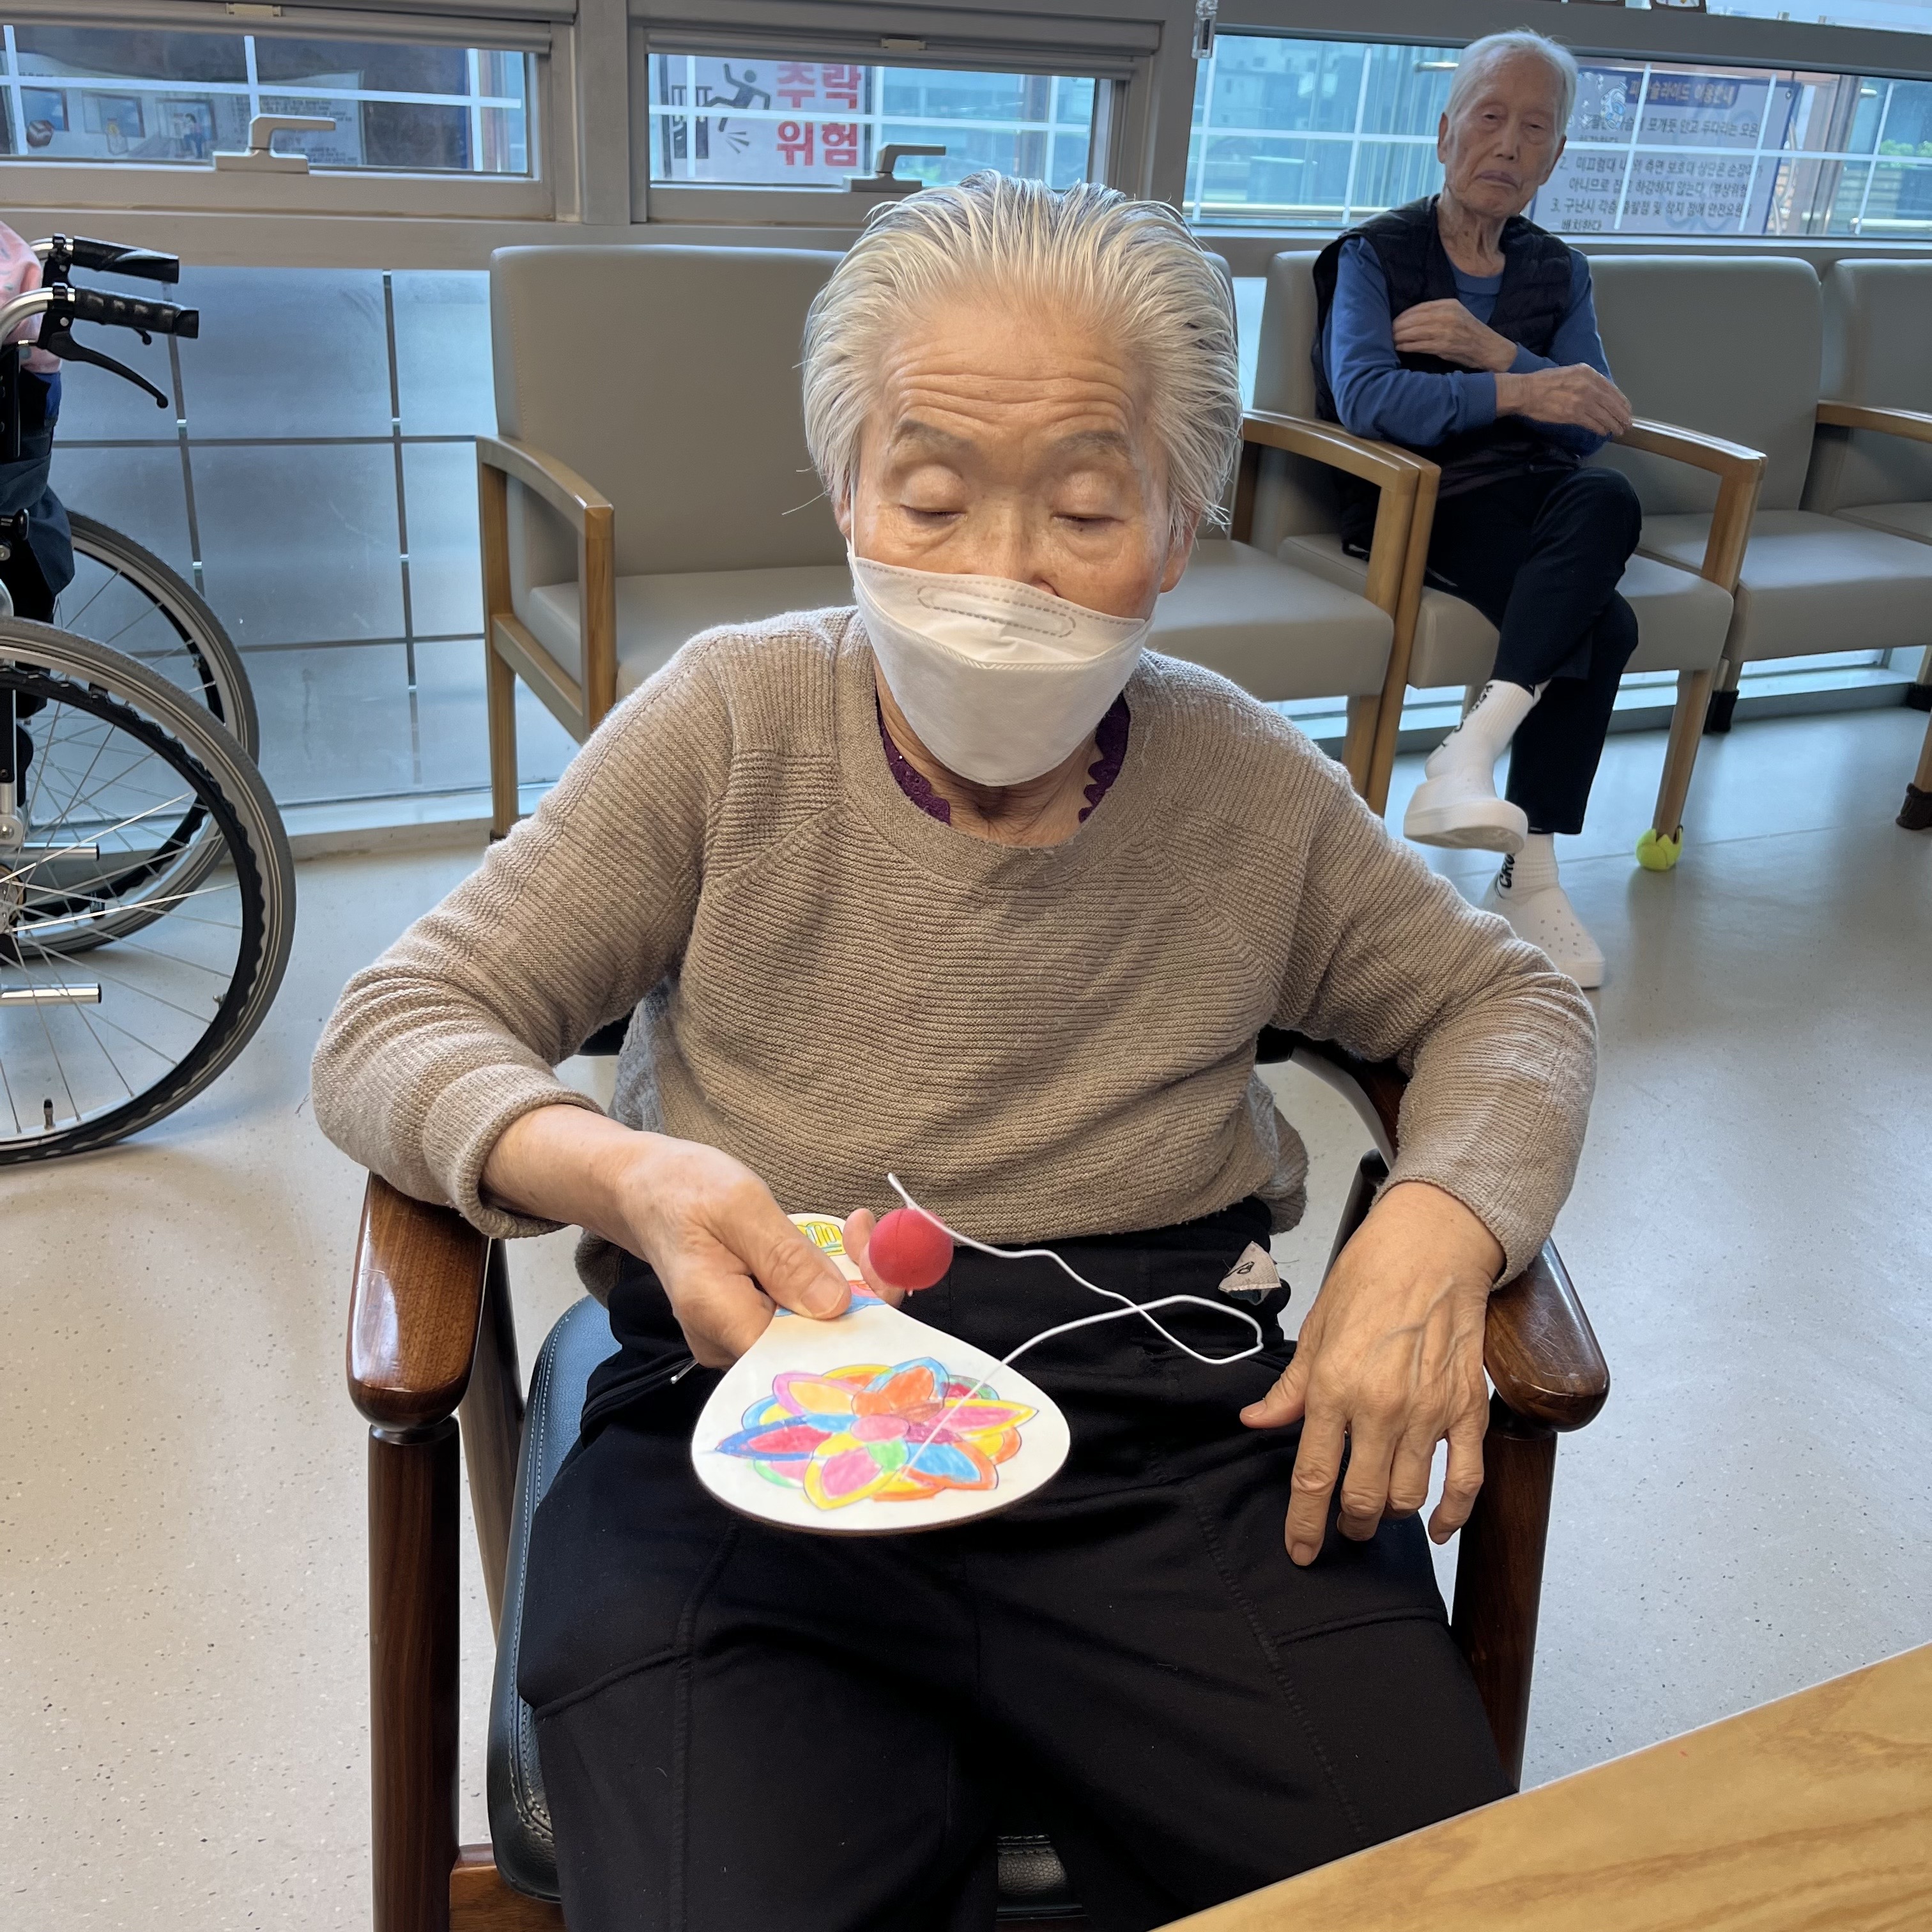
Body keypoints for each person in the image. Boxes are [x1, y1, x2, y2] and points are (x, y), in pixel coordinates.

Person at [312, 173, 1596, 1932]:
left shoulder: (1245, 783)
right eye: (929, 498)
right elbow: (396, 1023)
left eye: (1085, 507)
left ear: (1182, 527)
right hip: (753, 1424)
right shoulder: (730, 723)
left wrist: (1439, 1225)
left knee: (1444, 1904)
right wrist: (625, 1174)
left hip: (1177, 1434)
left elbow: (1508, 1002)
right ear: (848, 493)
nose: (1000, 574)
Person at [1314, 29, 1639, 988]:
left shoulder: (1561, 270)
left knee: (1606, 493)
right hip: (1423, 500)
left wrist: (1496, 356)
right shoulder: (1373, 254)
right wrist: (1525, 391)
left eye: (1534, 128)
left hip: (1539, 497)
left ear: (1556, 157)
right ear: (1445, 133)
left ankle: (1471, 756)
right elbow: (1368, 399)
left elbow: (1595, 420)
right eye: (1490, 117)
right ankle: (1529, 874)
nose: (1508, 144)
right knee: (1609, 626)